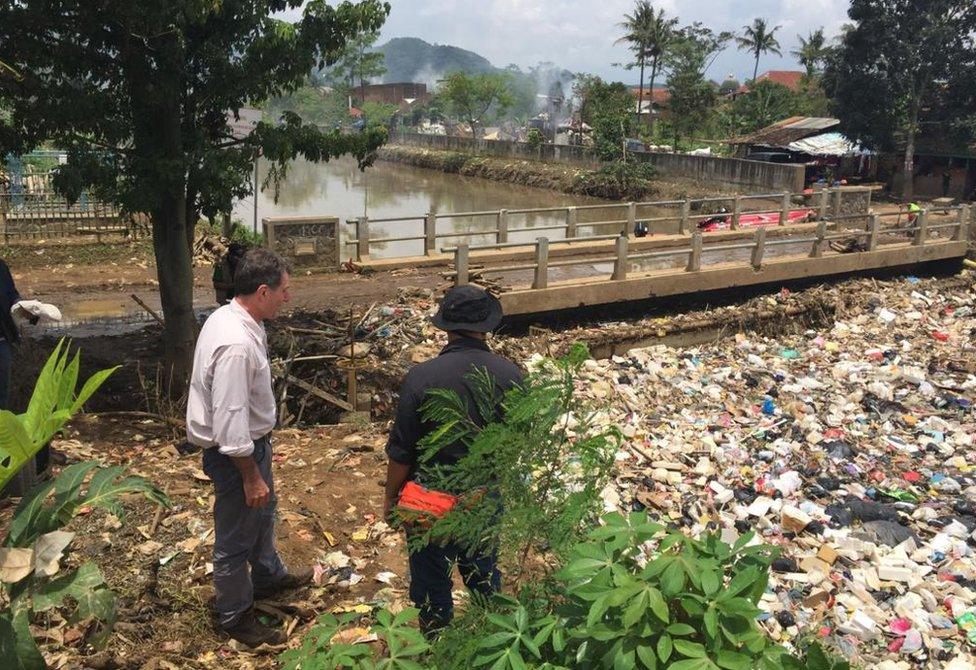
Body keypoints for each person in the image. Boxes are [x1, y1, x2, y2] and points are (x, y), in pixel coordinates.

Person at [186, 248, 310, 647]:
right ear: (262, 291)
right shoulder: (236, 343)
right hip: (237, 455)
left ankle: (270, 576)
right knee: (236, 536)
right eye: (283, 291)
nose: (287, 298)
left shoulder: (230, 316)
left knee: (262, 515)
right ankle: (235, 615)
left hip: (251, 447)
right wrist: (250, 474)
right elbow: (230, 422)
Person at [383, 285, 523, 637]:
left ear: (445, 327)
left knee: (432, 588)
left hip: (429, 500)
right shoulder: (510, 376)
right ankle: (493, 647)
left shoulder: (422, 377)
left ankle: (437, 646)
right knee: (484, 579)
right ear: (486, 327)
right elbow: (516, 443)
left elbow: (402, 451)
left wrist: (390, 498)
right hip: (483, 496)